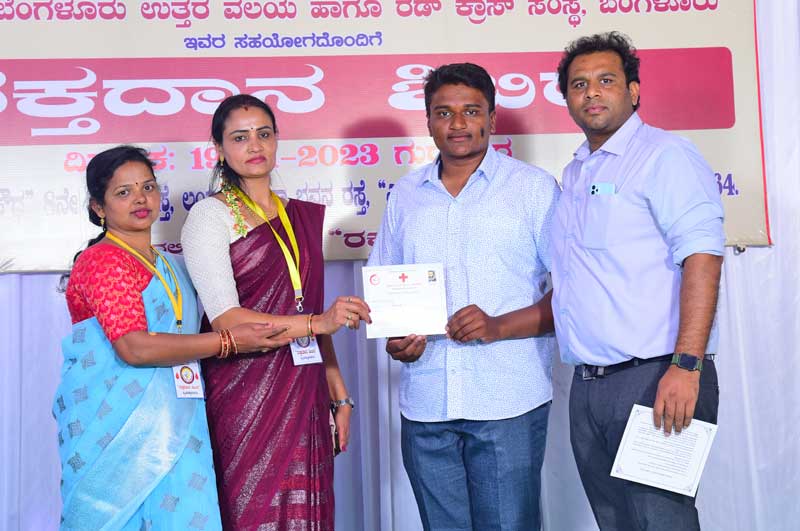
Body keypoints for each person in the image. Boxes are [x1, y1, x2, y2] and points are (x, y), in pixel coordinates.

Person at [54, 145, 289, 530]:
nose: (140, 199)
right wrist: (228, 342)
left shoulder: (171, 264)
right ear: (98, 207)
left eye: (148, 187)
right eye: (124, 192)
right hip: (115, 429)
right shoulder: (101, 261)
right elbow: (134, 347)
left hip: (180, 421)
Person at [367, 63, 560, 530]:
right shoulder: (405, 195)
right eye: (444, 112)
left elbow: (574, 294)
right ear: (428, 121)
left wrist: (498, 326)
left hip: (507, 402)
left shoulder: (533, 189)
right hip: (426, 402)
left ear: (492, 118)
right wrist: (397, 340)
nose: (457, 123)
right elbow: (384, 288)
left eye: (471, 111)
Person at [551, 32, 725, 530]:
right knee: (616, 523)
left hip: (657, 377)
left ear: (633, 90)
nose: (591, 92)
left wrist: (686, 365)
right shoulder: (576, 173)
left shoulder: (665, 156)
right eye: (579, 84)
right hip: (588, 387)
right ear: (567, 100)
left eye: (606, 80)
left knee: (662, 521)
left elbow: (703, 257)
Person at [180, 94, 371, 530]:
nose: (255, 145)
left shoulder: (294, 215)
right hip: (243, 390)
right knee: (251, 511)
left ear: (277, 139)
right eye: (240, 137)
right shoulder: (210, 216)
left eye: (264, 134)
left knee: (308, 514)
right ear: (218, 147)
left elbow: (309, 306)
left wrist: (339, 393)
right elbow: (226, 319)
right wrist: (317, 322)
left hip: (304, 387)